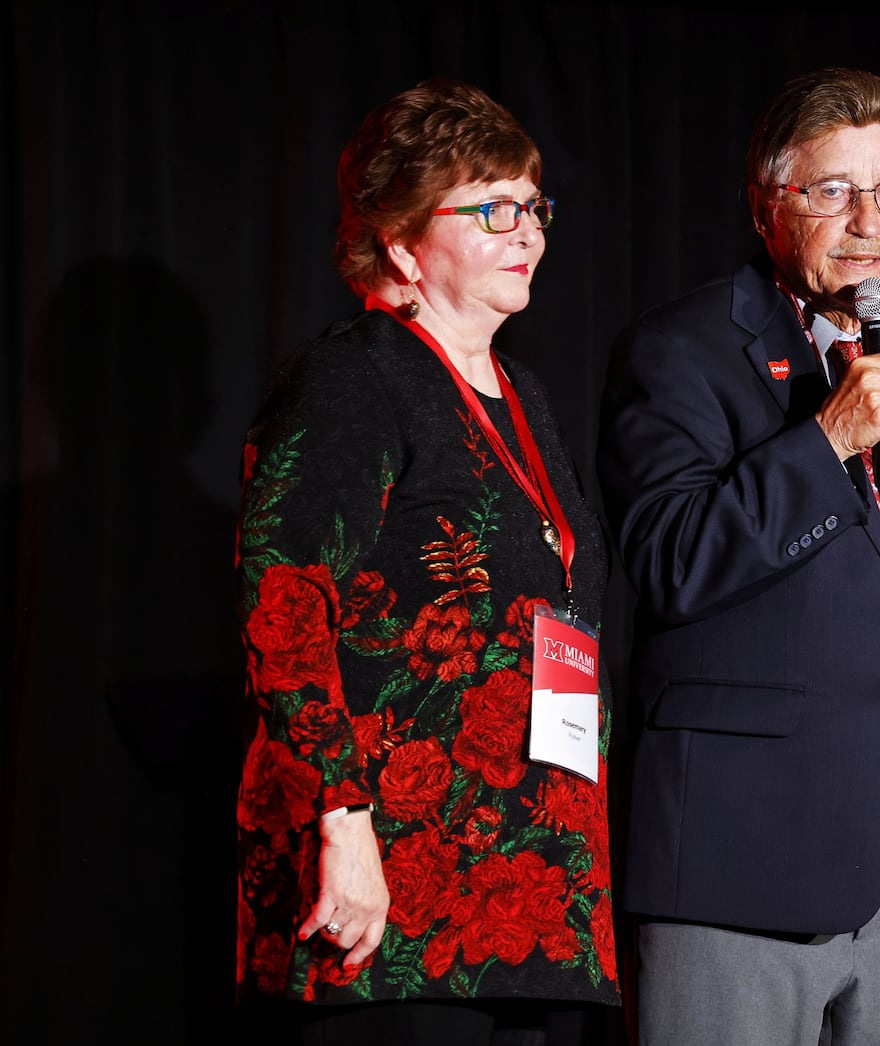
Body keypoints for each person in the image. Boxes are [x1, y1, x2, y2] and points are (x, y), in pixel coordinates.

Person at [596, 66, 880, 1045]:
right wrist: (824, 440)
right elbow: (668, 562)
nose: (867, 221)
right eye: (831, 190)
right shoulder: (679, 352)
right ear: (766, 205)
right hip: (740, 861)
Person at [234, 78, 619, 1043]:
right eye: (492, 208)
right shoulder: (354, 378)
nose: (526, 230)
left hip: (530, 896)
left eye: (533, 205)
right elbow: (284, 608)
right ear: (403, 242)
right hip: (388, 907)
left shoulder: (523, 395)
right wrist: (343, 824)